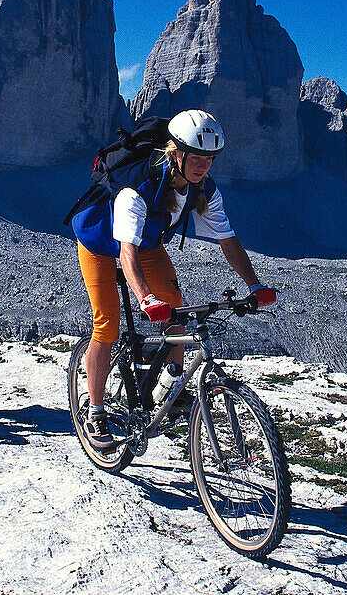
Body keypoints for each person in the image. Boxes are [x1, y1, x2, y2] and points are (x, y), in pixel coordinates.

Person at [70, 109, 276, 450]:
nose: (203, 166)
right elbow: (126, 254)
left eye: (210, 159)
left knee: (176, 307)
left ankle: (172, 386)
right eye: (196, 157)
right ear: (175, 152)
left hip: (146, 242)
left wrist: (254, 285)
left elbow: (228, 240)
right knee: (106, 322)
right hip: (99, 241)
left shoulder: (203, 189)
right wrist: (146, 298)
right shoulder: (137, 189)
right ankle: (95, 412)